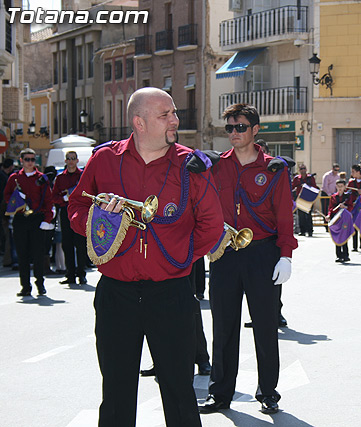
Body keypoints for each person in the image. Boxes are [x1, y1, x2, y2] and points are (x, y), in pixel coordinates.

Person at [68, 87, 224, 426]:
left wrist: (178, 258)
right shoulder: (104, 159)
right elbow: (78, 206)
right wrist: (99, 230)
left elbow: (212, 224)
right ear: (139, 122)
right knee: (116, 393)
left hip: (171, 293)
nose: (175, 120)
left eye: (174, 113)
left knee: (180, 393)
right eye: (165, 114)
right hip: (116, 294)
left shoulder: (192, 165)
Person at [201, 103, 297, 415]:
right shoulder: (216, 165)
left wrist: (286, 255)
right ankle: (220, 392)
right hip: (225, 253)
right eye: (229, 128)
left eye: (240, 127)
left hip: (262, 253)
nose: (234, 133)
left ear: (255, 130)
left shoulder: (274, 168)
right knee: (224, 326)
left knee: (265, 326)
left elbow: (285, 214)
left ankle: (268, 392)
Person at [4, 149, 54, 297]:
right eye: (27, 159)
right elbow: (6, 196)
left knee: (38, 253)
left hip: (36, 218)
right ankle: (25, 286)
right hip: (20, 218)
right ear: (21, 161)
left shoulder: (42, 178)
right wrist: (16, 199)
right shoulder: (14, 178)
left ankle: (40, 283)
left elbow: (48, 201)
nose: (30, 162)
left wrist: (47, 219)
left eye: (32, 159)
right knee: (22, 254)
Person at [52, 151, 87, 285]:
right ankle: (70, 274)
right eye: (68, 159)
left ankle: (81, 274)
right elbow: (54, 196)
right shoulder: (60, 178)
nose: (71, 161)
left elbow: (88, 192)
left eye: (73, 158)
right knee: (67, 244)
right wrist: (64, 198)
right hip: (65, 211)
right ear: (65, 161)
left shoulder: (82, 176)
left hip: (80, 212)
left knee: (80, 244)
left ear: (77, 160)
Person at [328, 179, 354, 262]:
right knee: (337, 236)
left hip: (345, 219)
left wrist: (345, 207)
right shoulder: (333, 197)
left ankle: (346, 255)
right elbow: (330, 208)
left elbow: (350, 207)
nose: (340, 188)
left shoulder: (347, 196)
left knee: (344, 235)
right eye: (338, 186)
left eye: (341, 186)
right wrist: (329, 215)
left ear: (345, 187)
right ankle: (339, 255)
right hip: (336, 218)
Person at [292, 164, 317, 237]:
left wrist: (307, 186)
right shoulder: (296, 178)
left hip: (308, 198)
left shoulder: (310, 178)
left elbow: (314, 187)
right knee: (301, 216)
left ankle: (310, 231)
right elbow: (292, 187)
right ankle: (302, 231)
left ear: (306, 169)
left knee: (308, 215)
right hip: (300, 199)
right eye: (301, 169)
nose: (303, 170)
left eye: (304, 169)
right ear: (299, 170)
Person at [348, 164, 361, 252]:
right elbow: (348, 193)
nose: (352, 173)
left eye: (353, 172)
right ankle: (355, 246)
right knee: (354, 225)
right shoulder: (351, 182)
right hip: (354, 206)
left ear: (358, 172)